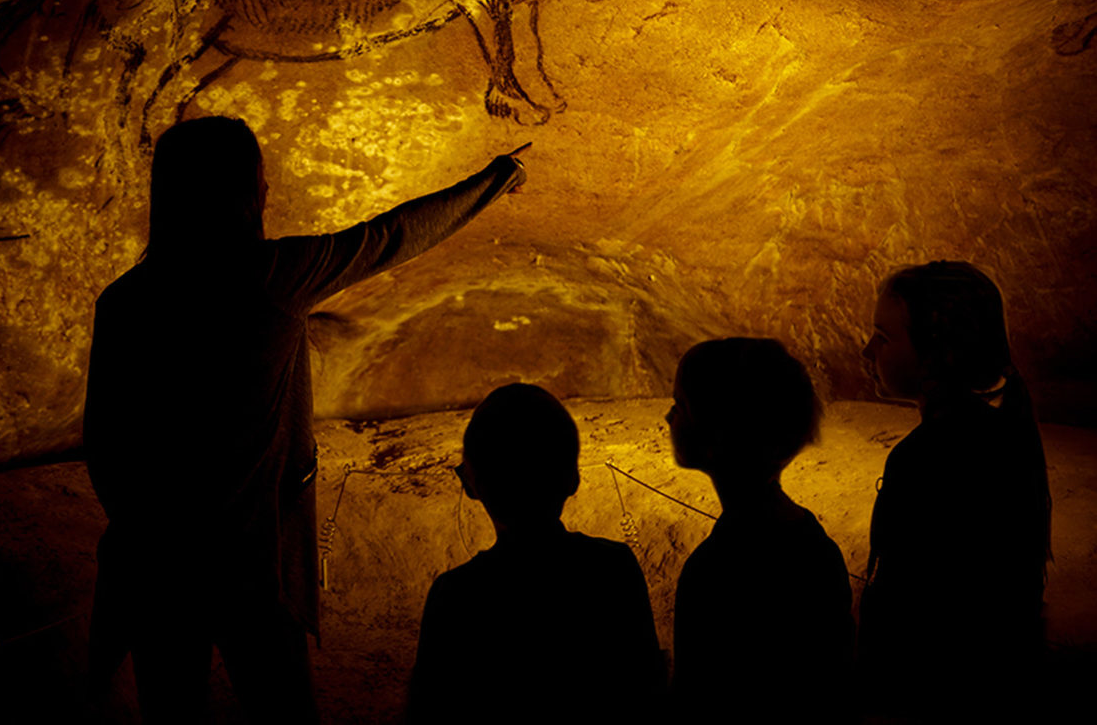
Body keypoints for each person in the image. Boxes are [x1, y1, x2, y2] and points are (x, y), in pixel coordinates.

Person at [83, 115, 528, 722]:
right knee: (284, 716)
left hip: (157, 573)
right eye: (259, 179)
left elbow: (104, 449)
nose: (267, 192)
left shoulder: (125, 303)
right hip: (254, 565)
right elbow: (391, 237)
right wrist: (494, 180)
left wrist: (155, 532)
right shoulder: (271, 278)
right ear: (247, 193)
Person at [857, 261, 1051, 719]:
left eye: (884, 338)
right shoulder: (1004, 436)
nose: (868, 351)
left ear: (935, 352)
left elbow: (913, 618)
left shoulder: (928, 459)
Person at [408, 383, 666, 724]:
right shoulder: (613, 568)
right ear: (573, 479)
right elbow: (645, 693)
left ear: (470, 483)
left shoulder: (455, 595)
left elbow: (429, 710)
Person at [667, 338, 854, 724]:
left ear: (717, 431)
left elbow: (698, 702)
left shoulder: (717, 568)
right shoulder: (814, 545)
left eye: (680, 405)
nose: (668, 418)